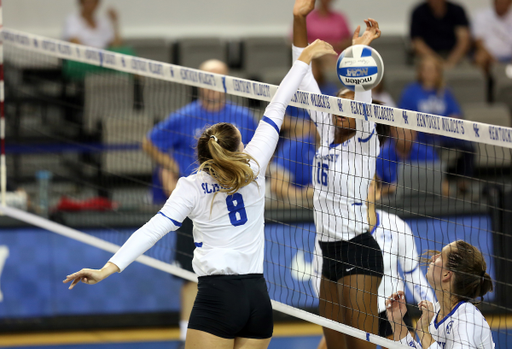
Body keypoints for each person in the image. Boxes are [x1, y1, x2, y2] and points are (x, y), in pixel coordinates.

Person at [63, 39, 338, 349]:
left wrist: (107, 269)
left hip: (217, 298)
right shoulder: (255, 167)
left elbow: (152, 230)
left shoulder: (191, 185)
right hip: (257, 297)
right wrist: (303, 59)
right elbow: (278, 105)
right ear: (239, 146)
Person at [142, 59, 258, 345]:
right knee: (189, 273)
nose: (212, 85)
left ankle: (232, 329)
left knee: (238, 272)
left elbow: (257, 157)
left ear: (227, 83)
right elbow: (149, 142)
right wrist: (168, 166)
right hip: (195, 207)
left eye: (218, 79)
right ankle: (187, 335)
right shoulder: (184, 116)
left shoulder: (242, 117)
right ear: (198, 83)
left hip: (234, 206)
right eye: (207, 79)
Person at [293, 1, 384, 348]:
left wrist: (360, 50)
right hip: (327, 251)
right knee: (334, 345)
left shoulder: (365, 139)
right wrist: (299, 18)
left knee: (362, 345)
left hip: (357, 250)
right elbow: (300, 72)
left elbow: (362, 93)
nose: (341, 108)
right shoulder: (327, 133)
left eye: (349, 104)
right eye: (337, 102)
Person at [313, 177, 436, 349]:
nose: (361, 190)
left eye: (367, 185)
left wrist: (435, 311)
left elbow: (413, 275)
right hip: (351, 311)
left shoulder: (396, 226)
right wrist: (337, 313)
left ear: (378, 192)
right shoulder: (332, 232)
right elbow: (318, 277)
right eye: (356, 185)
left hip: (391, 313)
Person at [386, 240, 495, 348]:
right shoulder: (438, 312)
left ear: (447, 274)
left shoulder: (467, 320)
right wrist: (397, 321)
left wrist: (423, 332)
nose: (433, 257)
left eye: (440, 256)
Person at [398, 55, 474, 195]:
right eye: (426, 69)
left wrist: (441, 126)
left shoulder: (445, 91)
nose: (429, 72)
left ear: (438, 72)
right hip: (421, 137)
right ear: (420, 72)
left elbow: (456, 114)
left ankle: (463, 183)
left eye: (432, 69)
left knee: (469, 145)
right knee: (431, 150)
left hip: (443, 135)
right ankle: (439, 185)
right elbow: (404, 117)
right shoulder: (411, 91)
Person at [268, 108, 316, 207]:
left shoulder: (341, 149)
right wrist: (304, 194)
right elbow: (277, 186)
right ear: (310, 124)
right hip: (296, 209)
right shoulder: (294, 147)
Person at [376, 126, 442, 197]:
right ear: (393, 132)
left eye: (410, 133)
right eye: (402, 133)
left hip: (424, 201)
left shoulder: (427, 154)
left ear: (415, 133)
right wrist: (391, 188)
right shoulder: (381, 156)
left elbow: (444, 188)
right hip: (391, 202)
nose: (406, 137)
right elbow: (373, 192)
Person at [410, 0, 471, 69]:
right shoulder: (418, 12)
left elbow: (463, 40)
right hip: (427, 55)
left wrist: (451, 61)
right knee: (428, 69)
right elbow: (417, 43)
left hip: (454, 55)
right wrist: (438, 61)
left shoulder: (457, 10)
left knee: (468, 70)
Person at [472, 0, 512, 74]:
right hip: (490, 57)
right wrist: (492, 59)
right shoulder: (481, 16)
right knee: (480, 57)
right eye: (498, 2)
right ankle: (487, 84)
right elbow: (478, 42)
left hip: (509, 55)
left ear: (510, 3)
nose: (500, 5)